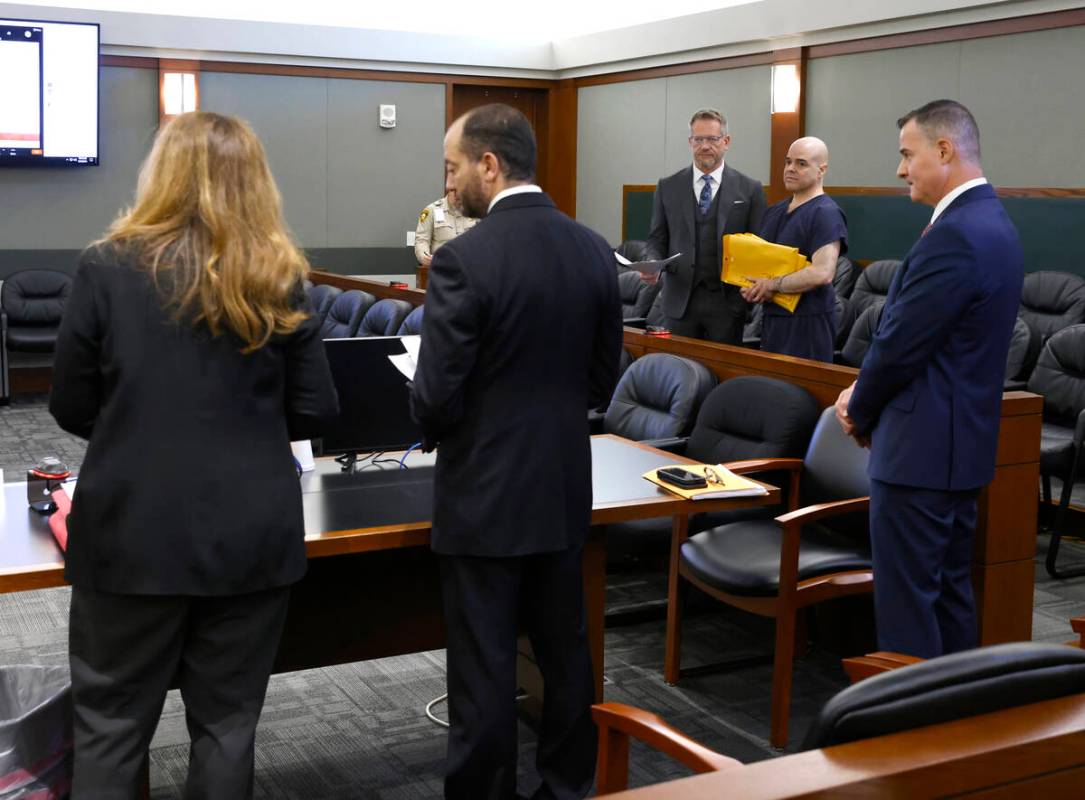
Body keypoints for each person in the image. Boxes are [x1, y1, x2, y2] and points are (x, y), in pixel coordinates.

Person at [49, 111, 339, 798]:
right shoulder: (281, 276)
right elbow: (317, 410)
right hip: (251, 533)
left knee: (111, 727)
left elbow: (68, 402)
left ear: (161, 175)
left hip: (128, 530)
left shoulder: (104, 265)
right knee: (228, 726)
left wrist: (138, 433)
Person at [410, 103, 622, 800]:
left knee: (483, 666)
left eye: (452, 167)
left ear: (489, 165)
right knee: (565, 653)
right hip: (562, 485)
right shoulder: (593, 249)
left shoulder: (464, 259)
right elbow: (601, 379)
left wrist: (442, 425)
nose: (449, 184)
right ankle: (566, 786)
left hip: (483, 496)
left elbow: (435, 398)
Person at [834, 100, 1023, 659]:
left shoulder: (957, 234)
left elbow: (899, 346)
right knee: (946, 596)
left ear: (945, 150)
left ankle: (910, 737)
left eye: (906, 154)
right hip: (955, 449)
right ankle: (953, 729)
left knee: (908, 607)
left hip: (920, 454)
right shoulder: (994, 222)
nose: (899, 169)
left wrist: (857, 407)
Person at [643, 107, 766, 344]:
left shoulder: (750, 189)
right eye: (698, 139)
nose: (705, 146)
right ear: (690, 142)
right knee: (679, 369)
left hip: (728, 303)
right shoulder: (668, 186)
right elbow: (657, 238)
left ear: (726, 141)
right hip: (679, 301)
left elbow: (759, 245)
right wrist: (652, 264)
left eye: (712, 139)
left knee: (723, 375)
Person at [740, 136, 847, 362]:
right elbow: (764, 264)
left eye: (801, 163)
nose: (790, 169)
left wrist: (772, 285)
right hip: (773, 319)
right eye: (788, 162)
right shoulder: (774, 211)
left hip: (808, 323)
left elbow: (823, 272)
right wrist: (752, 286)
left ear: (821, 170)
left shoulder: (825, 213)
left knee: (801, 395)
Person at [414, 188, 478, 266]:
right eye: (455, 190)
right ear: (449, 190)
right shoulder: (432, 210)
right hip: (441, 266)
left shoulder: (473, 211)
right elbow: (422, 240)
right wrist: (424, 257)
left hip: (468, 267)